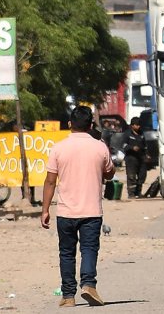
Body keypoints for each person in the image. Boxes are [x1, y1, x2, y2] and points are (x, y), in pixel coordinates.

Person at [41, 105, 115, 308]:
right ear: (91, 125)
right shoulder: (100, 147)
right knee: (89, 249)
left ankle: (68, 296)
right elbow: (110, 174)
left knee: (66, 253)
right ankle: (88, 284)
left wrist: (45, 210)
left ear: (69, 124)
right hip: (91, 211)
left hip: (65, 212)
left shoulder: (58, 148)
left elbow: (50, 181)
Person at [122, 117, 147, 198]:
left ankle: (138, 192)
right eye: (136, 125)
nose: (138, 126)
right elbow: (123, 145)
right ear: (132, 125)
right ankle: (131, 193)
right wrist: (132, 148)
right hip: (131, 158)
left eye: (139, 125)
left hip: (141, 157)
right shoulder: (127, 134)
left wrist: (147, 154)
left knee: (142, 175)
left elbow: (145, 145)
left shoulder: (141, 133)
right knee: (131, 176)